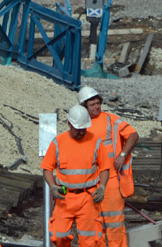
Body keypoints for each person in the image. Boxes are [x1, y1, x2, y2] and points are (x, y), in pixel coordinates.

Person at [41, 105, 111, 247]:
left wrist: (102, 187)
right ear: (69, 124)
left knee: (90, 240)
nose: (81, 132)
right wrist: (53, 186)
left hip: (88, 198)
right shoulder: (59, 142)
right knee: (59, 236)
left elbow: (105, 168)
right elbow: (47, 168)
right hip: (65, 197)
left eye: (83, 129)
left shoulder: (95, 141)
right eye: (78, 129)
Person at [78, 86, 137, 247]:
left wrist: (122, 155)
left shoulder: (110, 119)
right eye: (92, 104)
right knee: (93, 223)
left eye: (98, 103)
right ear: (84, 107)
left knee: (114, 222)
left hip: (110, 180)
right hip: (89, 181)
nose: (96, 106)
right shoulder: (79, 125)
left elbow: (133, 134)